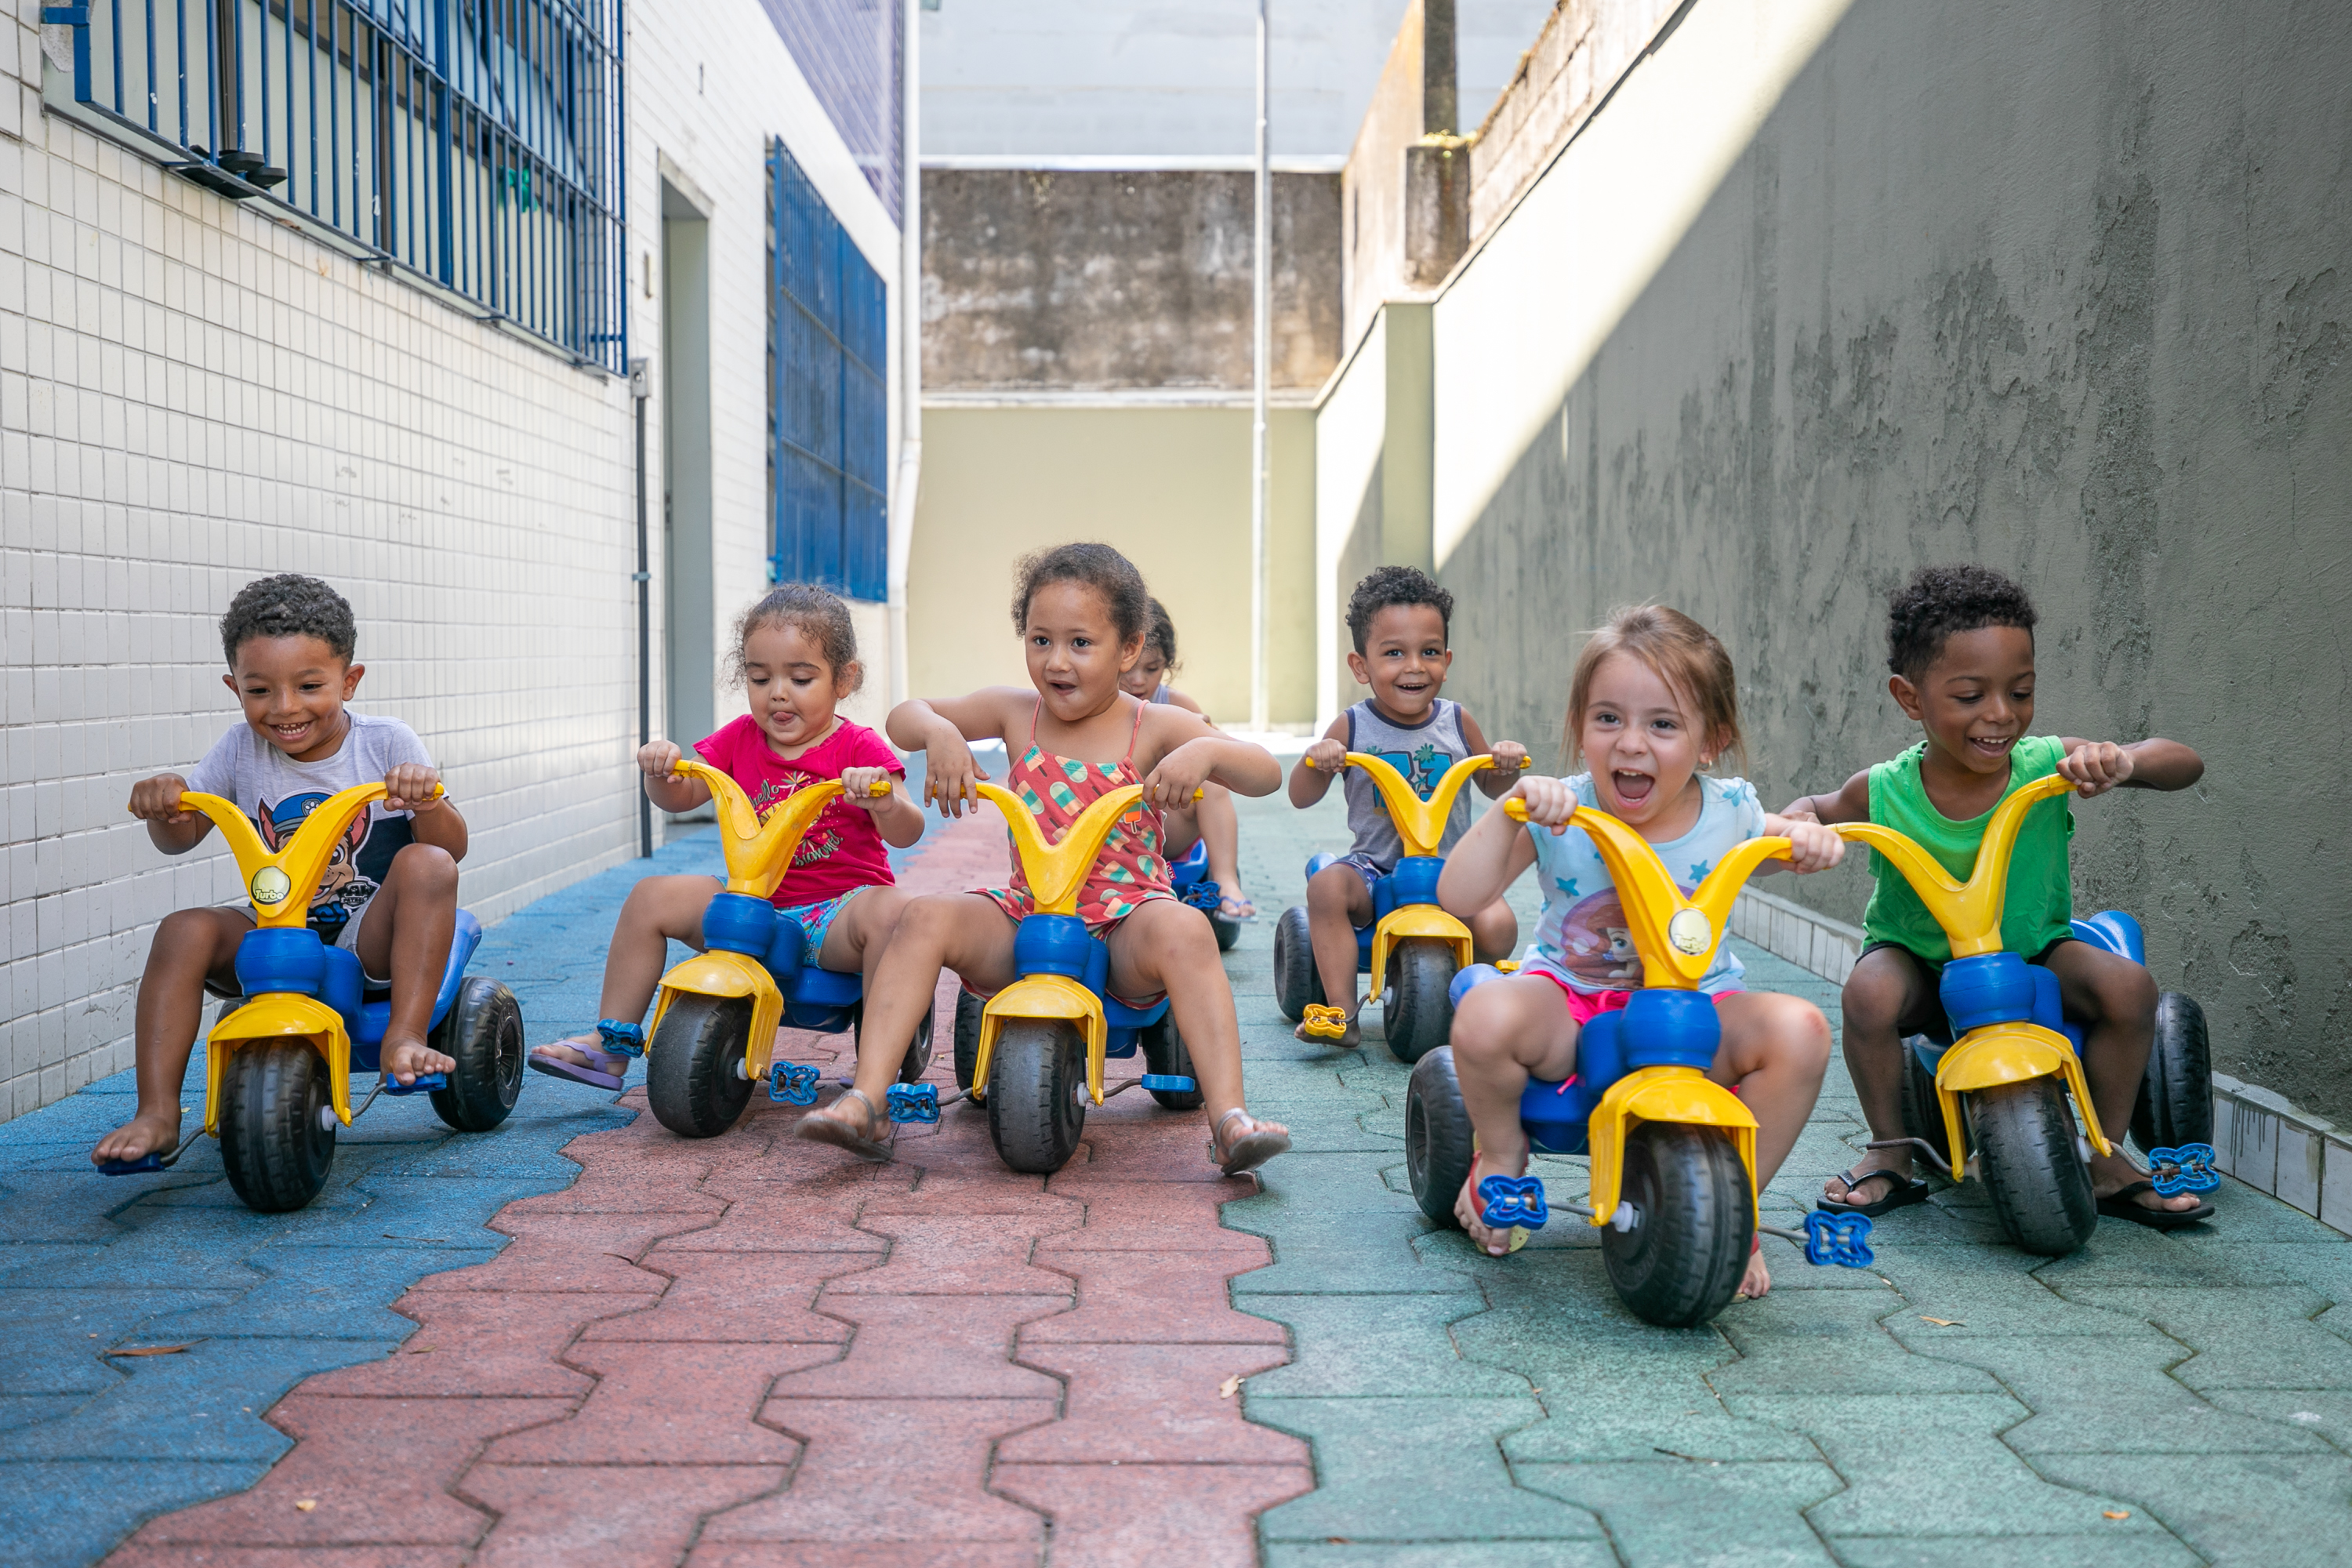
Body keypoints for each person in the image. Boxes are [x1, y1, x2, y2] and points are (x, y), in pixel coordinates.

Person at [796, 543, 1291, 1174]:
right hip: (1026, 914)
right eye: (1040, 640)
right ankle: (869, 1098)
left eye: (1081, 643)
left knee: (1188, 928)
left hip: (1125, 923)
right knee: (924, 917)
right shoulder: (1015, 712)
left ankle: (1228, 1119)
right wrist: (941, 734)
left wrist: (1205, 754)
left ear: (1130, 649)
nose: (1056, 662)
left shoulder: (1154, 726)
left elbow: (1267, 772)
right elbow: (903, 717)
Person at [1436, 604, 1844, 1299]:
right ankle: (1502, 1155)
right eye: (1607, 719)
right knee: (1483, 1015)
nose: (1630, 744)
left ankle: (1734, 1207)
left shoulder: (1730, 813)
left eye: (1662, 724)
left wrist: (1809, 841)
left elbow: (1779, 842)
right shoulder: (1561, 808)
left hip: (1695, 1008)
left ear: (1710, 740)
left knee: (1802, 1033)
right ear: (1580, 728)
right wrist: (1510, 813)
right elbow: (1456, 895)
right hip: (1571, 1002)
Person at [1784, 565, 2210, 1228]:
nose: (2000, 715)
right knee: (1867, 994)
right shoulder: (1885, 789)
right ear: (1910, 698)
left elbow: (2182, 762)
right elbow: (1815, 808)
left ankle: (2104, 1152)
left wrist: (2124, 762)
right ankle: (1891, 1151)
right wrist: (1794, 829)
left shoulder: (2047, 765)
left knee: (2130, 989)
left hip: (2036, 951)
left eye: (2021, 691)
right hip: (1921, 961)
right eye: (1969, 696)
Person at [96, 575, 467, 1167]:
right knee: (183, 928)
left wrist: (426, 799)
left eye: (311, 686)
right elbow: (181, 837)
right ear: (234, 687)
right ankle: (158, 1112)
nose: (286, 708)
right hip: (274, 926)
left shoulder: (385, 742)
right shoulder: (238, 749)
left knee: (429, 862)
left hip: (365, 936)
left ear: (349, 681)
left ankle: (405, 1036)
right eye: (261, 690)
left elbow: (455, 846)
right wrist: (167, 803)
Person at [529, 585, 924, 1089]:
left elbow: (908, 830)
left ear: (844, 680)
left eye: (801, 678)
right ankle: (612, 1043)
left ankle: (875, 1069)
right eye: (760, 679)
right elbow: (683, 795)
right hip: (751, 902)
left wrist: (885, 802)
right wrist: (661, 772)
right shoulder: (739, 738)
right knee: (652, 897)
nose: (778, 692)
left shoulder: (857, 745)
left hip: (837, 913)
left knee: (894, 913)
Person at [1286, 566, 1527, 1046]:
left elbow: (1493, 785)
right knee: (1327, 888)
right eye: (1394, 653)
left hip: (1452, 868)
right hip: (1374, 868)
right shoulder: (1352, 726)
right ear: (1361, 667)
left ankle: (1470, 1003)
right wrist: (1319, 761)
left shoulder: (1457, 722)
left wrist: (1504, 762)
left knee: (1500, 926)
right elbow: (1300, 795)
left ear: (1447, 658)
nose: (1415, 666)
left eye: (1429, 652)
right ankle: (1341, 1012)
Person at [1120, 597, 1253, 922]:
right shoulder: (1096, 708)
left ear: (1168, 665)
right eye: (1129, 668)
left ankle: (1225, 878)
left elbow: (1232, 754)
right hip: (1115, 832)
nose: (1139, 681)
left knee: (1209, 774)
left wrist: (1206, 738)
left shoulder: (1174, 704)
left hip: (1167, 825)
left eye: (1151, 669)